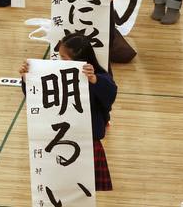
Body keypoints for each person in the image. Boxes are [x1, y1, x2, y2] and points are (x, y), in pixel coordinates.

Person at [19, 33, 117, 190]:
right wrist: (27, 79)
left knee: (82, 192)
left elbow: (110, 95)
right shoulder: (55, 76)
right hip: (57, 142)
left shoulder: (97, 77)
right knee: (59, 190)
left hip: (86, 144)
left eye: (64, 58)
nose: (59, 61)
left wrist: (95, 81)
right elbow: (38, 98)